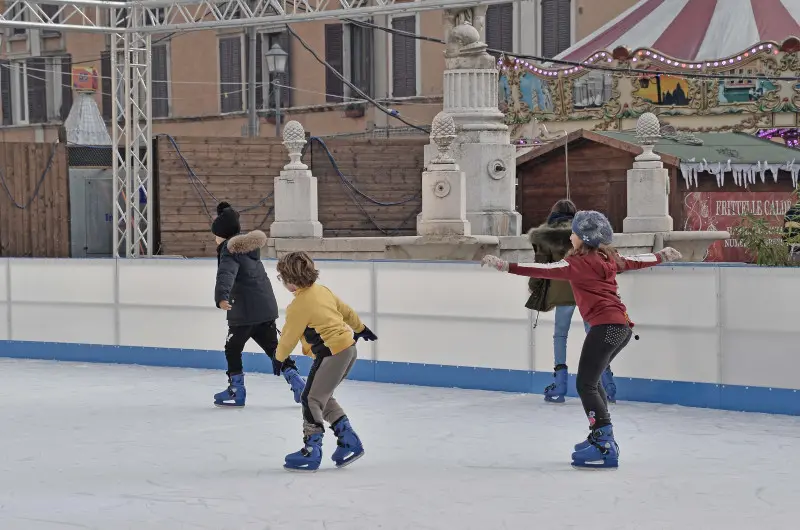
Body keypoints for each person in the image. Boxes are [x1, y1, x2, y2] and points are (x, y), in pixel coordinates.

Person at [482, 210, 682, 469]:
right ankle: (600, 434)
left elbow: (542, 269)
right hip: (620, 327)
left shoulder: (576, 264)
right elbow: (635, 260)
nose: (571, 236)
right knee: (592, 381)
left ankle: (604, 443)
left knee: (585, 384)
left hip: (606, 327)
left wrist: (505, 265)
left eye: (574, 233)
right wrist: (660, 256)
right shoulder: (607, 257)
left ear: (583, 238)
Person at [273, 251, 377, 472]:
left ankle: (311, 449)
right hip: (348, 349)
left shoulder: (299, 305)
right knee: (321, 396)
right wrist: (361, 328)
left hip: (332, 354)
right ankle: (349, 440)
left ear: (290, 280)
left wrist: (279, 359)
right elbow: (346, 311)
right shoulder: (322, 291)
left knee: (309, 398)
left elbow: (288, 336)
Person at [212, 201, 306, 407]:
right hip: (264, 310)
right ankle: (297, 382)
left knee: (232, 348)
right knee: (274, 348)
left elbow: (225, 275)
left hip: (244, 313)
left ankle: (237, 390)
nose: (215, 239)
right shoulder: (250, 251)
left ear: (223, 235)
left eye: (216, 234)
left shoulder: (229, 250)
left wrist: (221, 297)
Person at [527, 199, 616, 403]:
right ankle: (608, 383)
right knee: (594, 335)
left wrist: (535, 287)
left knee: (560, 335)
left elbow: (540, 267)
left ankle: (560, 384)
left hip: (563, 291)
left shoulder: (546, 235)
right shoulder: (586, 232)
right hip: (588, 290)